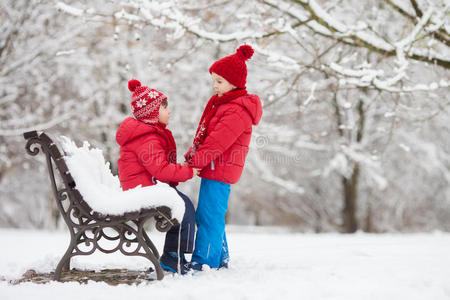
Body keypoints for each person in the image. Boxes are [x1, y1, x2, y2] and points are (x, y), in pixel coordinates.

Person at [184, 45, 263, 271]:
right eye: (214, 80)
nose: (214, 86)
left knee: (209, 215)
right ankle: (220, 258)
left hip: (220, 168)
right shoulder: (226, 105)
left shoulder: (236, 110)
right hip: (216, 167)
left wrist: (195, 162)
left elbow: (217, 142)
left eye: (219, 81)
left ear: (234, 82)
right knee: (212, 214)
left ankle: (204, 262)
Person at [116, 79, 200, 274]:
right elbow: (160, 170)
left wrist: (179, 168)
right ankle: (172, 256)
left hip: (144, 186)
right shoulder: (147, 138)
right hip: (144, 190)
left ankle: (174, 255)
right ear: (152, 113)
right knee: (183, 206)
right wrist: (187, 171)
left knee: (183, 204)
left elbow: (159, 166)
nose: (169, 111)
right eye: (164, 107)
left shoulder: (146, 135)